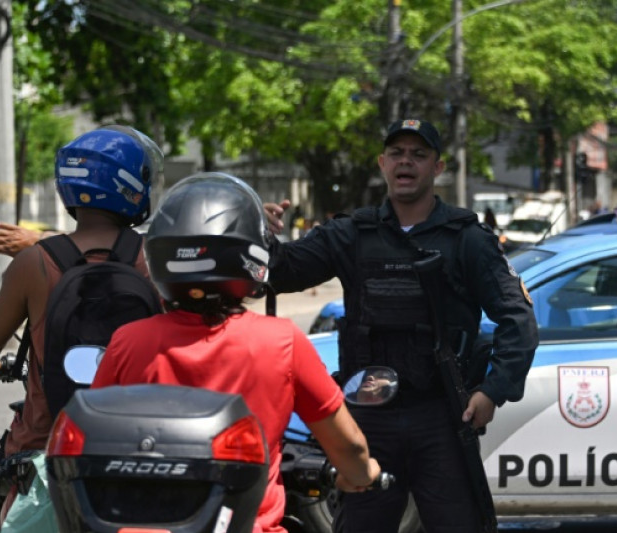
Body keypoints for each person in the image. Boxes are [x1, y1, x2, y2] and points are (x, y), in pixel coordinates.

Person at [262, 119, 539, 533]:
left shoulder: (466, 238)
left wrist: (492, 391)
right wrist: (264, 235)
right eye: (397, 153)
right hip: (369, 422)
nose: (406, 162)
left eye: (418, 154)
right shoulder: (353, 233)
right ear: (382, 163)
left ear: (437, 168)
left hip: (442, 418)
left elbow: (517, 318)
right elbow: (279, 272)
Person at [89, 173, 381, 533]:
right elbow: (348, 446)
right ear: (250, 256)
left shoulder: (127, 342)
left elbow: (95, 439)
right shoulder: (282, 342)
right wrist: (362, 473)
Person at [0, 125, 162, 532]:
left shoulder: (35, 263)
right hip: (143, 437)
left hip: (49, 442)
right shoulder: (154, 259)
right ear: (129, 189)